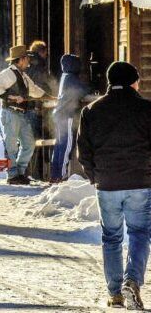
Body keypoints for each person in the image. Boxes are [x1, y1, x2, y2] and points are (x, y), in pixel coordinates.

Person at [77, 61, 151, 310]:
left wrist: (95, 176)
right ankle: (132, 281)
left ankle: (115, 293)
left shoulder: (91, 110)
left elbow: (83, 151)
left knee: (111, 237)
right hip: (140, 181)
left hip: (107, 183)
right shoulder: (146, 109)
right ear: (133, 81)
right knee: (140, 233)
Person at [0, 44, 46, 185]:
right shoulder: (7, 74)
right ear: (21, 59)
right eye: (27, 58)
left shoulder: (22, 74)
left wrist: (47, 96)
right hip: (10, 113)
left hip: (21, 114)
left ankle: (20, 172)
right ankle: (12, 175)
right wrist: (13, 97)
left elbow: (34, 90)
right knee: (11, 146)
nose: (29, 60)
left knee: (29, 143)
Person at [51, 53, 88, 183]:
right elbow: (83, 91)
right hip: (67, 115)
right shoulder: (72, 78)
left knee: (59, 146)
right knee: (66, 146)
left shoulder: (65, 76)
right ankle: (61, 176)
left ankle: (55, 174)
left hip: (59, 115)